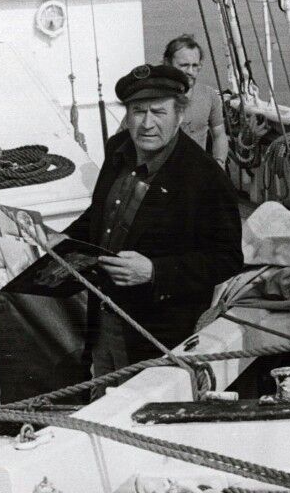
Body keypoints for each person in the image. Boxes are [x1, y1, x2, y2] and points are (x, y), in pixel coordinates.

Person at [60, 63, 243, 382]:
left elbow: (226, 259)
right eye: (138, 111)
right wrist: (60, 241)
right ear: (127, 116)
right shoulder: (118, 150)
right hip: (104, 318)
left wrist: (154, 271)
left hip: (158, 332)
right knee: (104, 398)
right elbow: (99, 213)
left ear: (180, 114)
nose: (146, 123)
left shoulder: (205, 178)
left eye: (158, 112)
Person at [162, 34, 229, 165]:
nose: (190, 71)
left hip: (198, 175)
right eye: (184, 65)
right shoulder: (152, 97)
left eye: (195, 65)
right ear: (167, 63)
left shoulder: (209, 95)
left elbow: (219, 135)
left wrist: (219, 164)